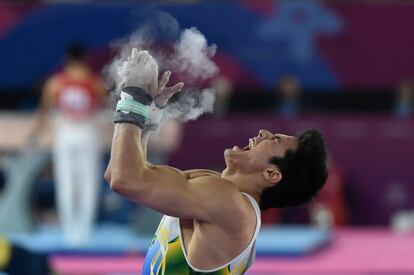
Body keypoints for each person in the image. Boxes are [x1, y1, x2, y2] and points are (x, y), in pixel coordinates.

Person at [105, 49, 328, 274]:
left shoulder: (228, 202)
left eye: (275, 140)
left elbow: (125, 180)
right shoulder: (214, 186)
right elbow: (117, 172)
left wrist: (134, 97)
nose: (263, 132)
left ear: (271, 174)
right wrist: (148, 117)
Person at [30, 43, 107, 246]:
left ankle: (69, 231)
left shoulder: (56, 82)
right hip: (87, 132)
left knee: (66, 180)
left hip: (65, 133)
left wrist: (33, 136)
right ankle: (84, 232)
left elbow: (43, 112)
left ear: (67, 59)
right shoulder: (95, 82)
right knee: (88, 182)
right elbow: (106, 106)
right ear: (86, 59)